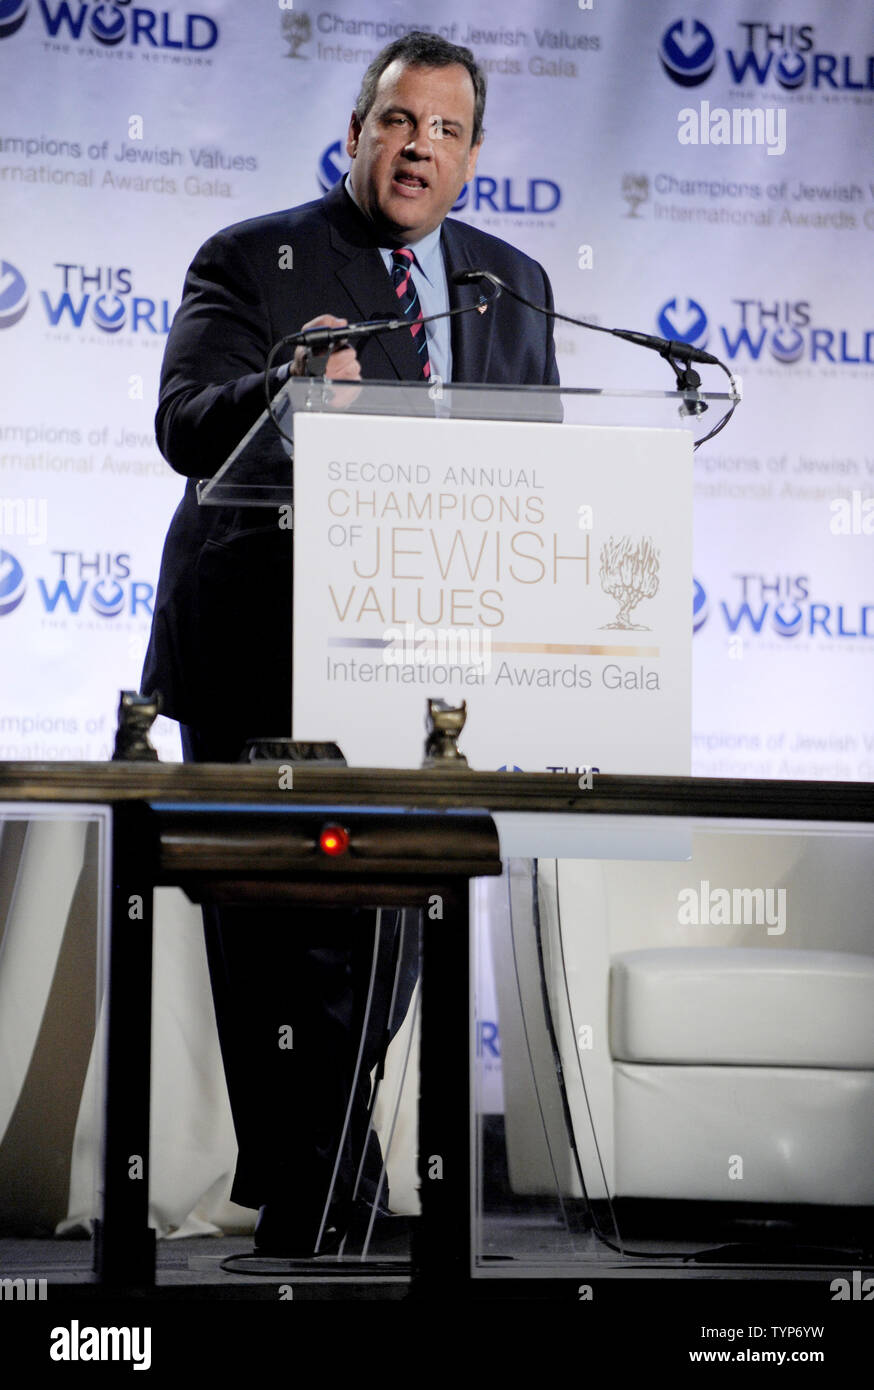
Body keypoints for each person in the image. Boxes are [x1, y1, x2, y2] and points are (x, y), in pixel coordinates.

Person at [141, 31, 560, 1255]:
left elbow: (534, 464)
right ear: (355, 132)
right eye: (395, 121)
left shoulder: (512, 282)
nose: (416, 145)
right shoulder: (250, 259)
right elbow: (182, 425)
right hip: (259, 640)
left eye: (442, 129)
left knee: (381, 926)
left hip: (426, 657)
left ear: (474, 155)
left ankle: (311, 1187)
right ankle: (326, 1196)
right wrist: (289, 390)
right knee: (274, 937)